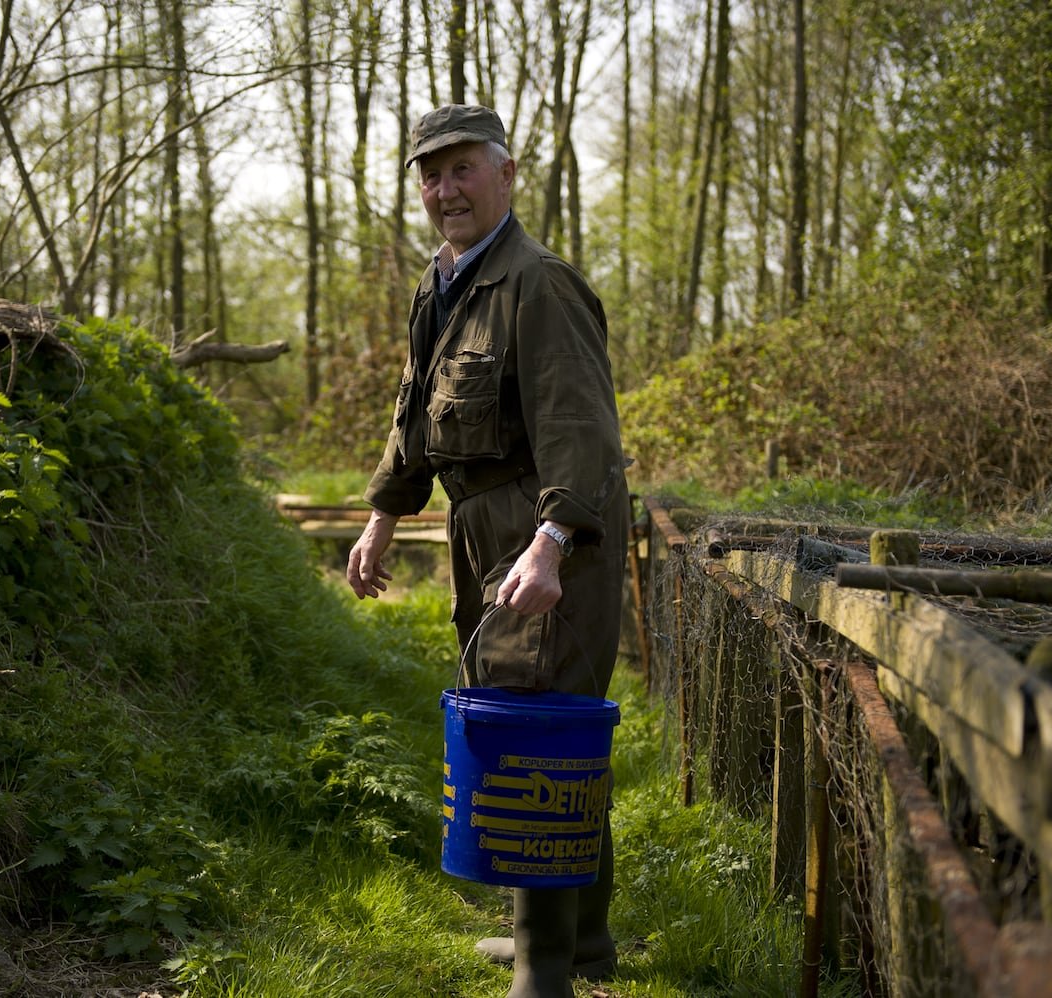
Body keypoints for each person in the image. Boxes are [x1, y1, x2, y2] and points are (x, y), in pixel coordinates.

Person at [345, 104, 631, 998]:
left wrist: (550, 544)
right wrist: (384, 516)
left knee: (540, 721)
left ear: (507, 176)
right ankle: (581, 940)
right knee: (531, 710)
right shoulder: (442, 283)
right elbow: (413, 417)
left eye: (463, 169)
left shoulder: (538, 283)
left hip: (551, 530)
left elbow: (580, 426)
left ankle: (544, 973)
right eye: (431, 175)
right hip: (481, 531)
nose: (445, 189)